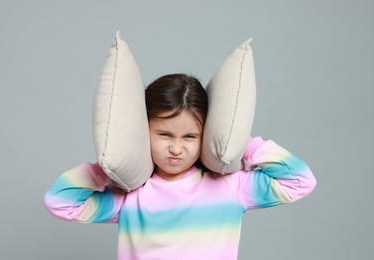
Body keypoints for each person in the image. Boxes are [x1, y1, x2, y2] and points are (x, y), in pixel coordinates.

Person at [44, 73, 316, 259]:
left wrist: (242, 142)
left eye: (190, 136)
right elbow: (61, 203)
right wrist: (107, 165)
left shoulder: (231, 187)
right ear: (143, 132)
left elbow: (300, 181)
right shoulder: (131, 197)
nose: (176, 148)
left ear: (205, 135)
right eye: (164, 135)